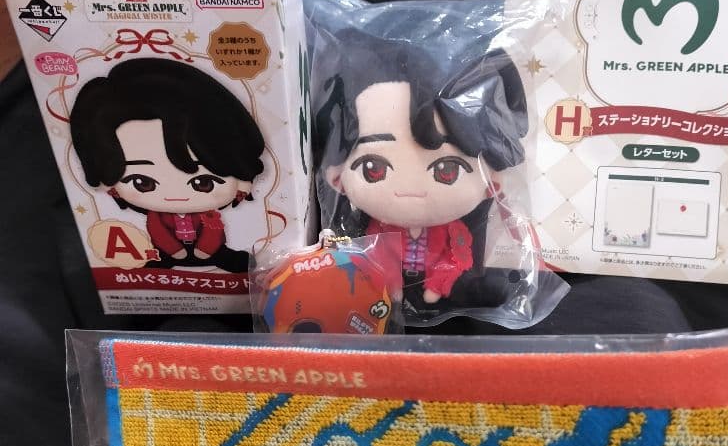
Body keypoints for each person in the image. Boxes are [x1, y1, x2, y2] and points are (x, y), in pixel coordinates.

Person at [316, 29, 528, 318]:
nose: (409, 187)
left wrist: (440, 284)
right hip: (382, 290)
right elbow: (377, 257)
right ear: (336, 179)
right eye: (374, 169)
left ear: (491, 185)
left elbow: (457, 255)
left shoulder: (453, 230)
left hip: (442, 288)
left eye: (447, 170)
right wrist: (390, 286)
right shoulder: (376, 231)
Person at [70, 58, 265, 273]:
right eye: (142, 182)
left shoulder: (209, 215)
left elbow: (213, 232)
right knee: (158, 262)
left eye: (203, 183)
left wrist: (205, 250)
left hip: (211, 252)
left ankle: (219, 257)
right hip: (167, 255)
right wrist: (174, 251)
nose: (175, 196)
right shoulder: (157, 217)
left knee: (225, 257)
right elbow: (158, 232)